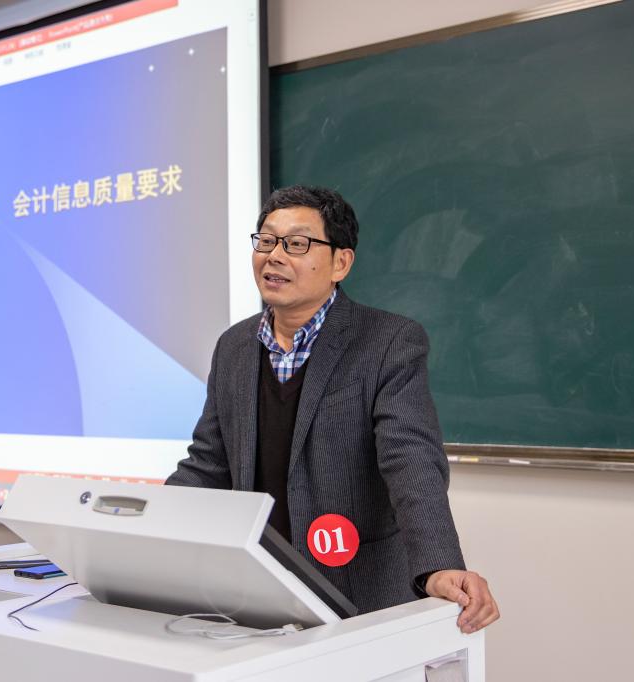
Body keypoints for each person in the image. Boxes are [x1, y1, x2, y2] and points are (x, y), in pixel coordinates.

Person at [166, 185, 499, 633]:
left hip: (356, 593)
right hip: (256, 592)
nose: (274, 256)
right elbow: (208, 464)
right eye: (266, 241)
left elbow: (411, 459)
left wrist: (438, 565)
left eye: (296, 244)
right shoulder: (234, 346)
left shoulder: (388, 341)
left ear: (341, 263)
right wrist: (146, 530)